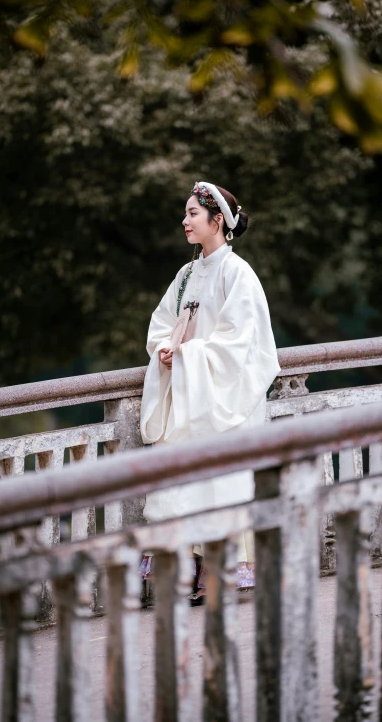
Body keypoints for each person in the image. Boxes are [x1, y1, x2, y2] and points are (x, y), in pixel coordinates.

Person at [139, 181, 280, 603]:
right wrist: (167, 351)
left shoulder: (239, 274)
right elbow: (161, 324)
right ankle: (186, 569)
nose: (184, 221)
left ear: (217, 220)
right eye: (185, 214)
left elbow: (241, 341)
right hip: (186, 395)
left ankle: (216, 572)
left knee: (219, 482)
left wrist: (189, 357)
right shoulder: (185, 276)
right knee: (180, 480)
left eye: (192, 214)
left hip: (223, 399)